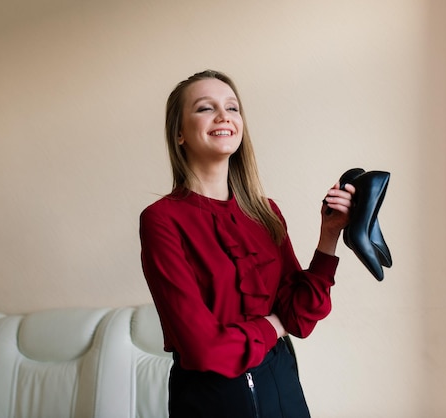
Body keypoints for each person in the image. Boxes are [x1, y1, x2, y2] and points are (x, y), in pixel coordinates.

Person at [139, 69, 355, 418]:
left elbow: (299, 317)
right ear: (179, 133)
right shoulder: (161, 220)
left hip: (282, 389)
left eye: (232, 107)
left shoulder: (265, 211)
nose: (224, 116)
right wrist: (275, 325)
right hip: (211, 402)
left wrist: (329, 236)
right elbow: (205, 349)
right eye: (205, 108)